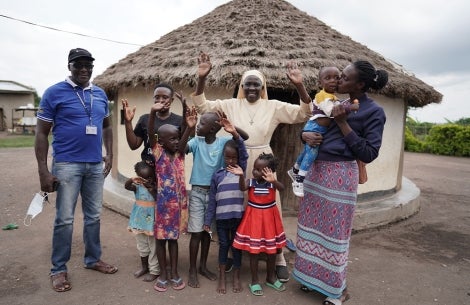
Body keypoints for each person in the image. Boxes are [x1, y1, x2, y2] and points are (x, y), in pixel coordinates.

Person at [191, 51, 311, 282]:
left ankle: (278, 258)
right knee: (236, 205)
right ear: (242, 86)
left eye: (257, 84)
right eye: (248, 84)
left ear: (263, 86)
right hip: (237, 159)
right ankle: (231, 253)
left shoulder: (273, 106)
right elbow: (202, 106)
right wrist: (202, 78)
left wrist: (299, 85)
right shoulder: (230, 104)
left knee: (270, 208)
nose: (252, 88)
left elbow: (303, 113)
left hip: (264, 160)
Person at [292, 60, 388, 305]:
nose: (338, 81)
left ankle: (337, 291)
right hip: (316, 172)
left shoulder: (373, 111)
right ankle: (311, 279)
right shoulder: (336, 103)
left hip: (341, 176)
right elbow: (315, 124)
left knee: (335, 234)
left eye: (344, 77)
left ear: (360, 84)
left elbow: (369, 153)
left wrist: (343, 122)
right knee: (310, 228)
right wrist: (305, 135)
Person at [35, 48, 116, 293]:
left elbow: (107, 126)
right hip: (66, 164)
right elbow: (41, 133)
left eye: (88, 65)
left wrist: (110, 154)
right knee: (65, 219)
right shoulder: (54, 93)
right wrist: (43, 170)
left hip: (94, 165)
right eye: (78, 65)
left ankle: (92, 259)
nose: (83, 69)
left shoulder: (100, 94)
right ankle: (58, 269)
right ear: (69, 66)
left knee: (93, 216)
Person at [185, 111, 248, 288]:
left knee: (207, 232)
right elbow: (181, 149)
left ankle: (202, 267)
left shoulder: (223, 143)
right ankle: (192, 269)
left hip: (215, 195)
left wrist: (230, 126)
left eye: (202, 123)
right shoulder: (196, 142)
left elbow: (245, 138)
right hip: (197, 192)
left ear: (213, 128)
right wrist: (188, 128)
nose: (198, 125)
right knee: (196, 232)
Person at [287, 66, 359, 197]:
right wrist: (350, 107)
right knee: (312, 153)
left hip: (319, 129)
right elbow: (331, 111)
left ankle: (295, 169)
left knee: (306, 152)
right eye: (328, 78)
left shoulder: (333, 97)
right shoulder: (322, 96)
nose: (333, 81)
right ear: (320, 82)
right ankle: (299, 180)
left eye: (337, 78)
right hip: (314, 128)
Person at [148, 102, 197, 292]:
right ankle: (163, 273)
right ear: (161, 142)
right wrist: (152, 112)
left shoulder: (180, 155)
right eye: (172, 139)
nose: (176, 142)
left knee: (173, 240)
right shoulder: (158, 154)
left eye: (178, 138)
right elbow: (152, 134)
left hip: (178, 208)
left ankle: (174, 272)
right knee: (161, 240)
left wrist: (190, 126)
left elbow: (184, 138)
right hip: (162, 207)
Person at [230, 153, 287, 296]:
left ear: (269, 171)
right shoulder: (251, 182)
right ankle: (255, 280)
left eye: (259, 169)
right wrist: (241, 175)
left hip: (269, 220)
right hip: (253, 220)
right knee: (254, 251)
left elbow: (283, 188)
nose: (254, 171)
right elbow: (242, 187)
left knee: (272, 250)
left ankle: (270, 278)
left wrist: (274, 181)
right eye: (255, 168)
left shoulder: (272, 184)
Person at [203, 138, 249, 294]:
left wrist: (235, 134)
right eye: (228, 157)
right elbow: (212, 202)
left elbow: (243, 152)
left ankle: (236, 276)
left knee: (236, 247)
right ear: (223, 156)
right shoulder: (217, 175)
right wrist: (207, 220)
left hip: (238, 218)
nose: (231, 160)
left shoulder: (240, 171)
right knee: (223, 246)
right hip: (221, 219)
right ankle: (222, 276)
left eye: (234, 157)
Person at [121, 83, 184, 164]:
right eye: (157, 97)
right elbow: (134, 145)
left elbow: (185, 144)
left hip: (170, 169)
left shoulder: (179, 120)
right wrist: (128, 122)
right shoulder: (144, 119)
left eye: (165, 97)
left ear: (171, 100)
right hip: (148, 169)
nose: (160, 100)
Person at [124, 161, 159, 282]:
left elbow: (158, 199)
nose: (147, 180)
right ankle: (145, 267)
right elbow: (127, 186)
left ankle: (154, 271)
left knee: (153, 247)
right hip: (139, 221)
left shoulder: (155, 187)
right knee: (142, 246)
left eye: (150, 177)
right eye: (143, 178)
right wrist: (132, 179)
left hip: (152, 223)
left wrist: (151, 189)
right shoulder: (137, 187)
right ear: (138, 176)